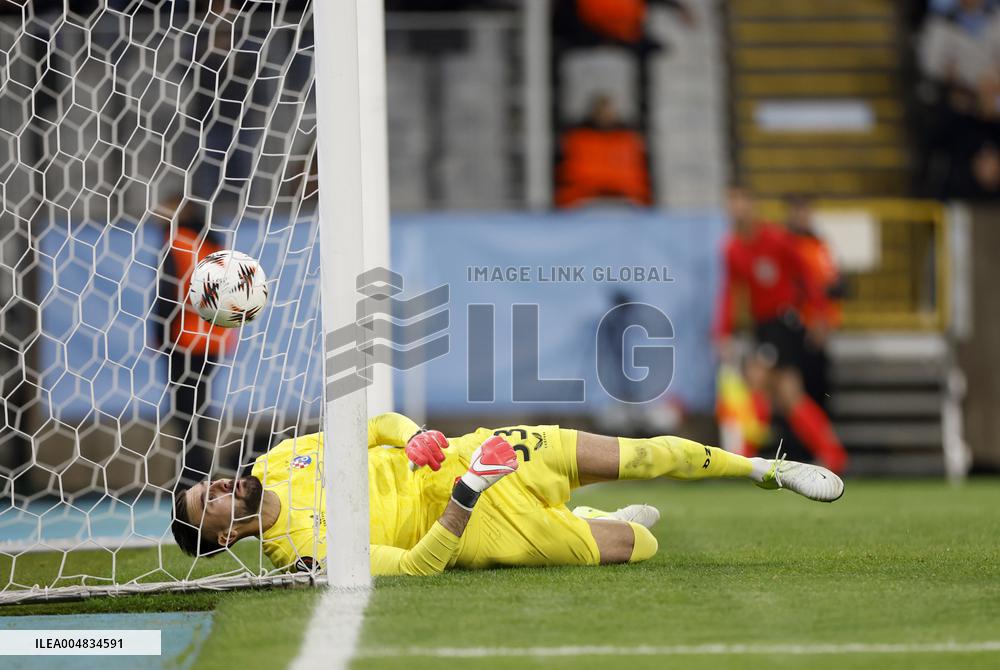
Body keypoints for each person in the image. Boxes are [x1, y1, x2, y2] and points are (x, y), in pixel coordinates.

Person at [171, 412, 844, 576]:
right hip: (479, 526)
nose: (223, 487)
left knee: (637, 452)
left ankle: (766, 469)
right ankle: (589, 520)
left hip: (476, 455)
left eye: (211, 484)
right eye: (213, 504)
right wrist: (465, 497)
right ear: (226, 538)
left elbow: (372, 423)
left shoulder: (281, 458)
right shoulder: (301, 558)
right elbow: (414, 568)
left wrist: (414, 437)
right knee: (639, 545)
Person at [715, 185, 848, 473]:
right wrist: (723, 332)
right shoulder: (732, 248)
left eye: (740, 202)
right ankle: (833, 455)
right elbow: (731, 293)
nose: (735, 209)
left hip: (784, 321)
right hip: (764, 326)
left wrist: (821, 315)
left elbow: (807, 276)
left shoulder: (777, 239)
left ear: (752, 205)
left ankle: (742, 461)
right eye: (730, 203)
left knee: (756, 378)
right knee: (789, 395)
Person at [154, 194, 237, 485]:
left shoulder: (176, 242)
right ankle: (199, 474)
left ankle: (192, 478)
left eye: (165, 205)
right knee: (200, 410)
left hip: (184, 339)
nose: (158, 210)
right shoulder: (213, 246)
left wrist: (159, 335)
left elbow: (167, 294)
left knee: (184, 412)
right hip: (213, 340)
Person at [784, 195, 843, 411]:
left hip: (818, 324)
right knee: (795, 388)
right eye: (797, 212)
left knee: (819, 385)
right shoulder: (786, 245)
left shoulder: (819, 246)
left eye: (805, 212)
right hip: (794, 325)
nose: (802, 217)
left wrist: (823, 319)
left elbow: (834, 284)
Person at [555, 93, 652, 208]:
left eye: (608, 112)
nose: (605, 116)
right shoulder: (576, 138)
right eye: (600, 112)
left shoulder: (629, 139)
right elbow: (571, 173)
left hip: (626, 200)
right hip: (581, 201)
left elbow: (636, 176)